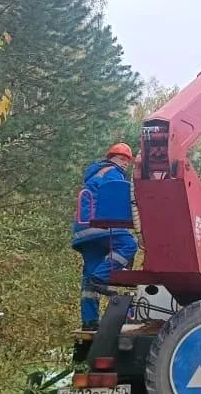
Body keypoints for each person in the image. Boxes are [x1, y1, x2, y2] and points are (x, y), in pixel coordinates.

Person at [72, 142, 140, 331]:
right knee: (129, 244)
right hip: (100, 225)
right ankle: (100, 277)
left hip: (83, 230)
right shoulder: (113, 173)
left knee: (89, 279)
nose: (124, 163)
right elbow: (117, 198)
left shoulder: (94, 174)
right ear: (111, 158)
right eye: (121, 158)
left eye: (127, 160)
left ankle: (89, 322)